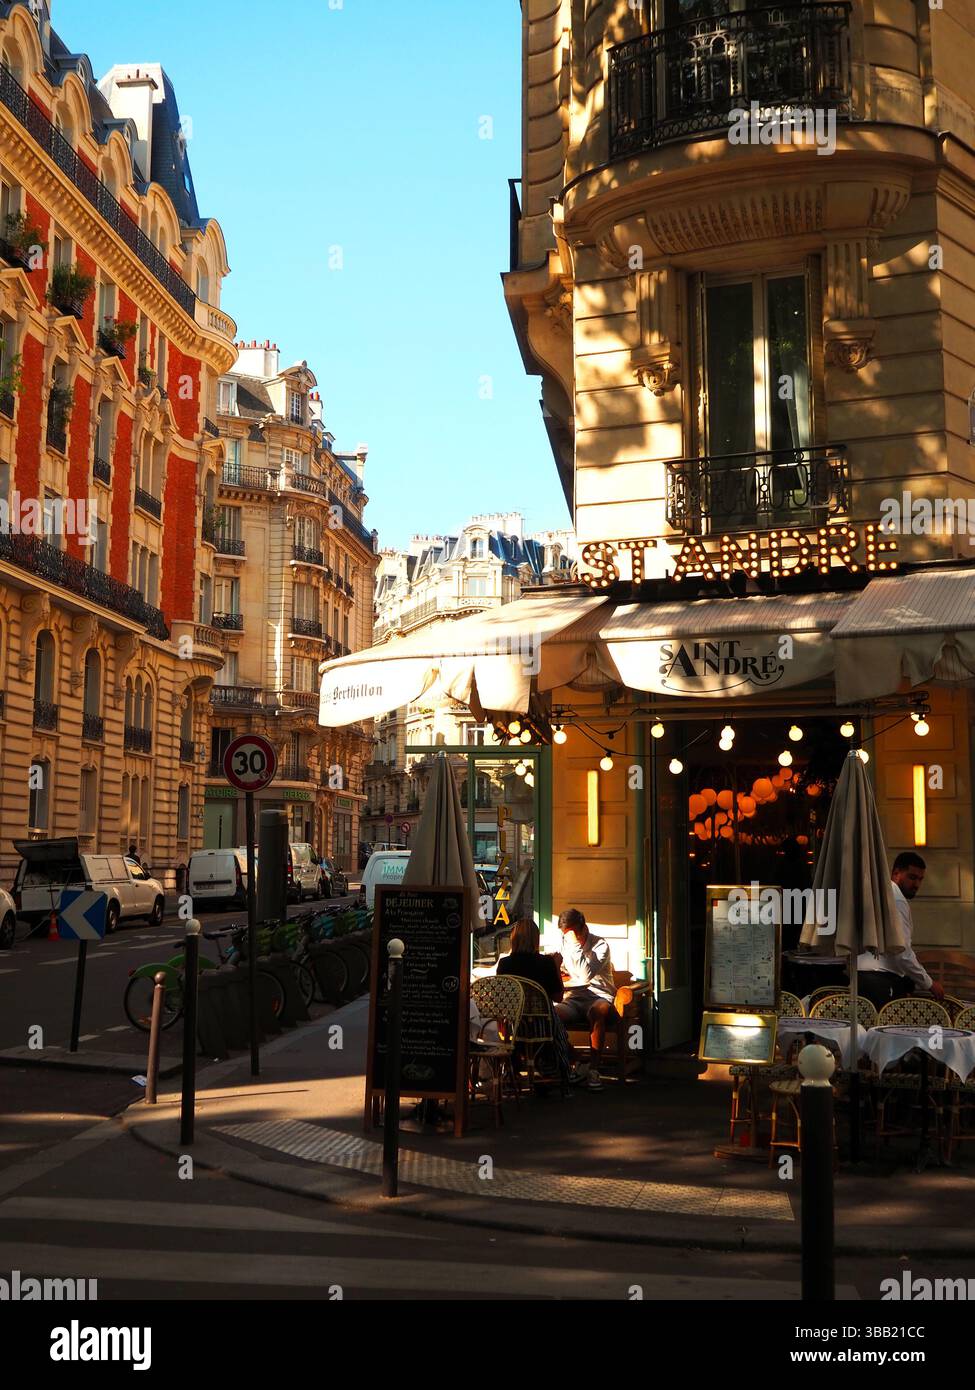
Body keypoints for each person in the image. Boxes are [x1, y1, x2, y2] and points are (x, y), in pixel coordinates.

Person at [857, 851, 945, 1009]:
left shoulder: (877, 893)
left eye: (920, 879)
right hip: (882, 982)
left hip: (861, 977)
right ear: (896, 873)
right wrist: (929, 983)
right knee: (887, 1032)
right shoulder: (896, 899)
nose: (917, 884)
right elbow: (902, 952)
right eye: (912, 877)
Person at [496, 917, 572, 1086]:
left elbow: (501, 998)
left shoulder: (505, 963)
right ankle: (552, 1068)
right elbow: (558, 997)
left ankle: (514, 1070)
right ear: (535, 939)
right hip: (542, 1027)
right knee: (556, 1022)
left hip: (514, 1027)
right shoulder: (546, 963)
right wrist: (557, 966)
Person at [553, 907, 619, 1091]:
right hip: (574, 998)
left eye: (572, 934)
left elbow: (585, 975)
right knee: (551, 1014)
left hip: (600, 996)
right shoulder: (565, 944)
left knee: (596, 1012)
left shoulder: (600, 945)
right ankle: (574, 1059)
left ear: (584, 928)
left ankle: (594, 1070)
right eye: (565, 935)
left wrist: (573, 945)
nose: (569, 938)